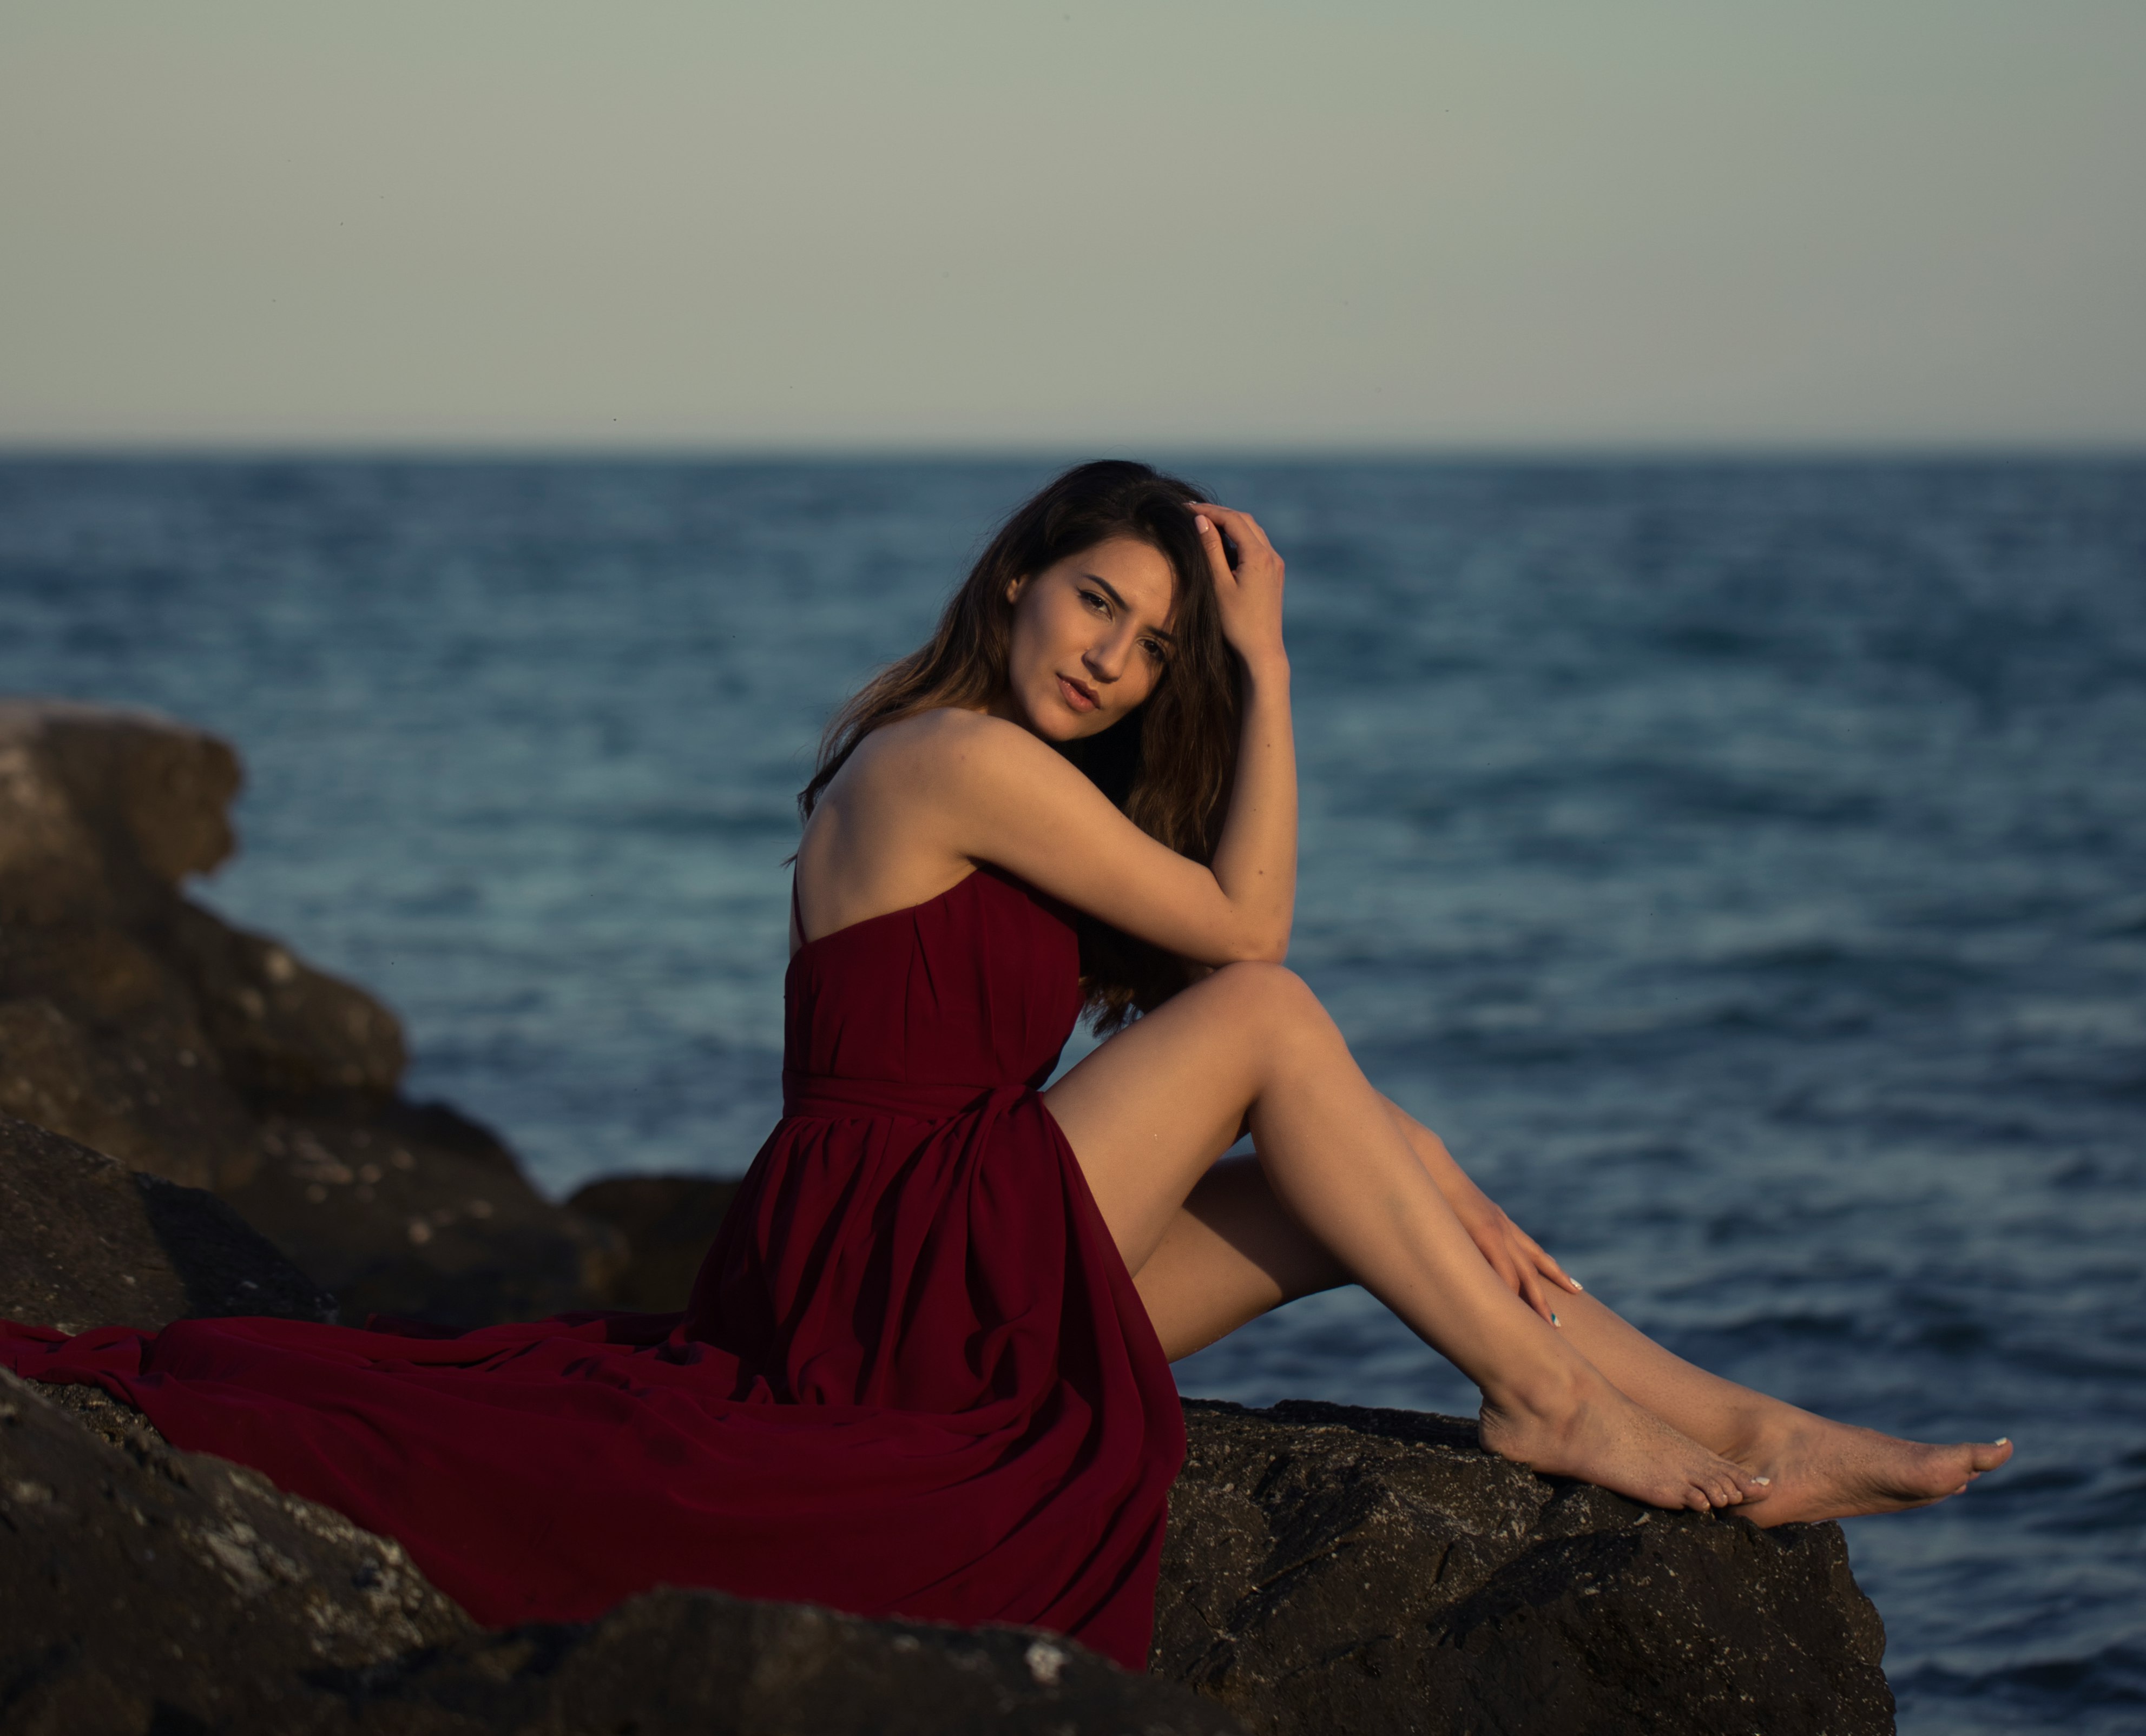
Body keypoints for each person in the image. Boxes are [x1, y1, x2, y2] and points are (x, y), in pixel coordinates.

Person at [1, 460, 2010, 1673]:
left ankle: (1732, 1420)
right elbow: (1253, 954)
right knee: (1281, 1027)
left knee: (1352, 1155)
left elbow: (1237, 979)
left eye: (1157, 647)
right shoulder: (949, 757)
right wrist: (1281, 666)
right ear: (1020, 578)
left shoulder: (1031, 789)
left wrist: (1429, 1172)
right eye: (1097, 607)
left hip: (941, 1256)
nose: (1113, 659)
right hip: (893, 1243)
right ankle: (1559, 1404)